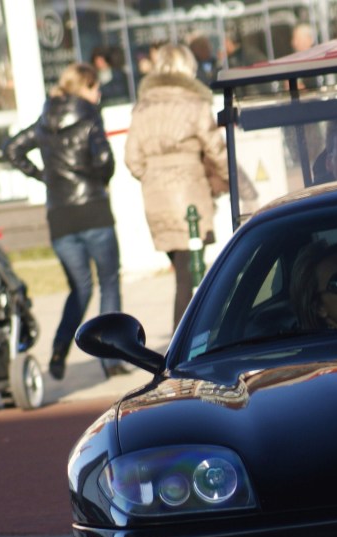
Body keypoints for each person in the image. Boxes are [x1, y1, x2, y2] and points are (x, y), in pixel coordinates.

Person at [4, 62, 125, 379]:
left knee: (80, 288)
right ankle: (111, 358)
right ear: (82, 86)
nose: (98, 93)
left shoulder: (45, 119)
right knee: (109, 282)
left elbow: (12, 148)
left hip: (60, 216)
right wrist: (98, 178)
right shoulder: (89, 115)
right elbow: (103, 159)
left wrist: (45, 177)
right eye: (94, 87)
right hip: (93, 210)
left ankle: (59, 351)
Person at [125, 43, 231, 328]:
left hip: (156, 198)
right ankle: (181, 341)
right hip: (190, 195)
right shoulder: (194, 103)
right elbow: (216, 149)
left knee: (182, 271)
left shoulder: (142, 106)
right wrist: (230, 178)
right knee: (190, 274)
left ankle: (188, 335)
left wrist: (154, 176)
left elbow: (132, 159)